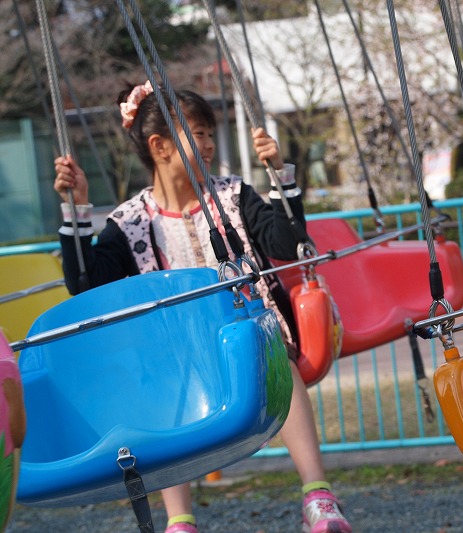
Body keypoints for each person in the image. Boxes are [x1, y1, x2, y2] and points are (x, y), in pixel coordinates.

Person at [53, 81, 351, 533]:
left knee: (275, 356)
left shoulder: (233, 197)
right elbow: (84, 282)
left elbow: (288, 243)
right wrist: (77, 210)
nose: (210, 144)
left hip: (250, 336)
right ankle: (181, 520)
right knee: (164, 390)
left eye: (211, 133)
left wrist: (279, 178)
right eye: (198, 133)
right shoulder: (130, 221)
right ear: (160, 146)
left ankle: (318, 495)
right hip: (178, 357)